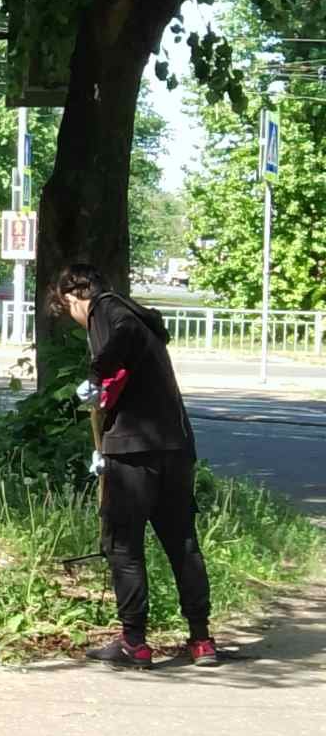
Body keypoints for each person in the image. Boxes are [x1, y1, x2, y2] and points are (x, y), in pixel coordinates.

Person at [50, 262, 217, 669]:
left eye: (68, 307)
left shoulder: (106, 309)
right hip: (174, 446)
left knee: (123, 545)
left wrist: (95, 372)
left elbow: (118, 339)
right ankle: (201, 640)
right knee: (182, 542)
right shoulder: (140, 317)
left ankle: (134, 643)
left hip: (133, 451)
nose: (74, 317)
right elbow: (127, 377)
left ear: (74, 296)